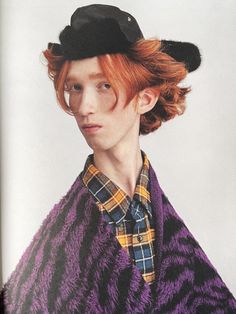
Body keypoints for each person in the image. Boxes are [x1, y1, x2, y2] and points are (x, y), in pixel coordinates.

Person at [1, 4, 236, 313]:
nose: (84, 107)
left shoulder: (169, 229)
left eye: (104, 85)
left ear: (145, 97)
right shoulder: (52, 253)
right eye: (75, 87)